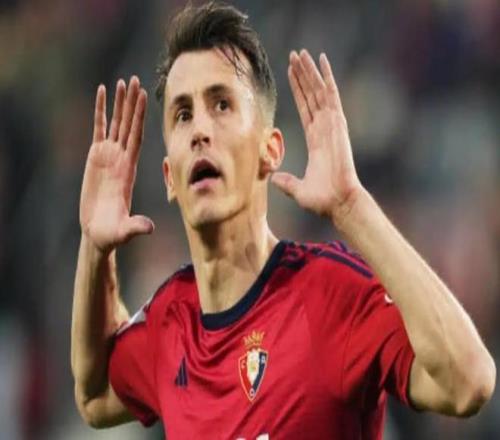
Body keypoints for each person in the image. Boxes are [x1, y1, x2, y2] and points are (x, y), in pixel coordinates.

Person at [71, 2, 496, 439]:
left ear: (270, 151)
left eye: (221, 104)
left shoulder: (328, 294)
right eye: (183, 114)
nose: (199, 130)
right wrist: (95, 248)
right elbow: (95, 394)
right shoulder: (170, 320)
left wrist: (352, 206)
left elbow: (468, 381)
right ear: (169, 178)